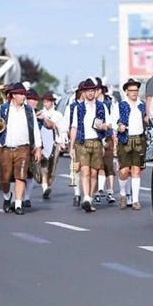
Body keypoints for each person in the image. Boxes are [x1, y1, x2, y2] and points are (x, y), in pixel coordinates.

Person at [0, 82, 43, 216]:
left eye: (24, 94)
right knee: (4, 179)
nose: (23, 97)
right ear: (13, 95)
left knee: (21, 176)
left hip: (23, 148)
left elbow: (35, 130)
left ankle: (18, 204)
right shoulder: (2, 109)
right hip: (6, 147)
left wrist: (38, 147)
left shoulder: (29, 110)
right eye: (21, 94)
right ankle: (7, 196)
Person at [68, 78, 108, 214]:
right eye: (88, 91)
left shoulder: (101, 106)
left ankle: (89, 198)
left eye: (92, 91)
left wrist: (104, 127)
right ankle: (85, 197)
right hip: (82, 142)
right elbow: (74, 126)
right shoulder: (78, 107)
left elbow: (108, 125)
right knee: (84, 170)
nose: (90, 93)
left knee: (94, 172)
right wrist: (71, 146)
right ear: (83, 92)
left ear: (95, 92)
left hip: (97, 141)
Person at [115, 79, 148, 211]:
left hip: (139, 139)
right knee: (124, 170)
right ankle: (123, 194)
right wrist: (119, 126)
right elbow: (113, 121)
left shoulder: (142, 105)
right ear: (126, 92)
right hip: (125, 139)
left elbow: (146, 118)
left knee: (136, 170)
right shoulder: (121, 105)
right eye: (132, 91)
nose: (134, 93)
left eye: (136, 91)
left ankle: (135, 200)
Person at [37, 92, 65, 199]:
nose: (45, 103)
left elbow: (62, 130)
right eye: (44, 101)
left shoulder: (58, 115)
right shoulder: (40, 114)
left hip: (56, 142)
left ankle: (48, 185)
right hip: (44, 143)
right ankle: (44, 186)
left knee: (52, 167)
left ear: (52, 102)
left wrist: (62, 142)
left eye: (47, 101)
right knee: (44, 165)